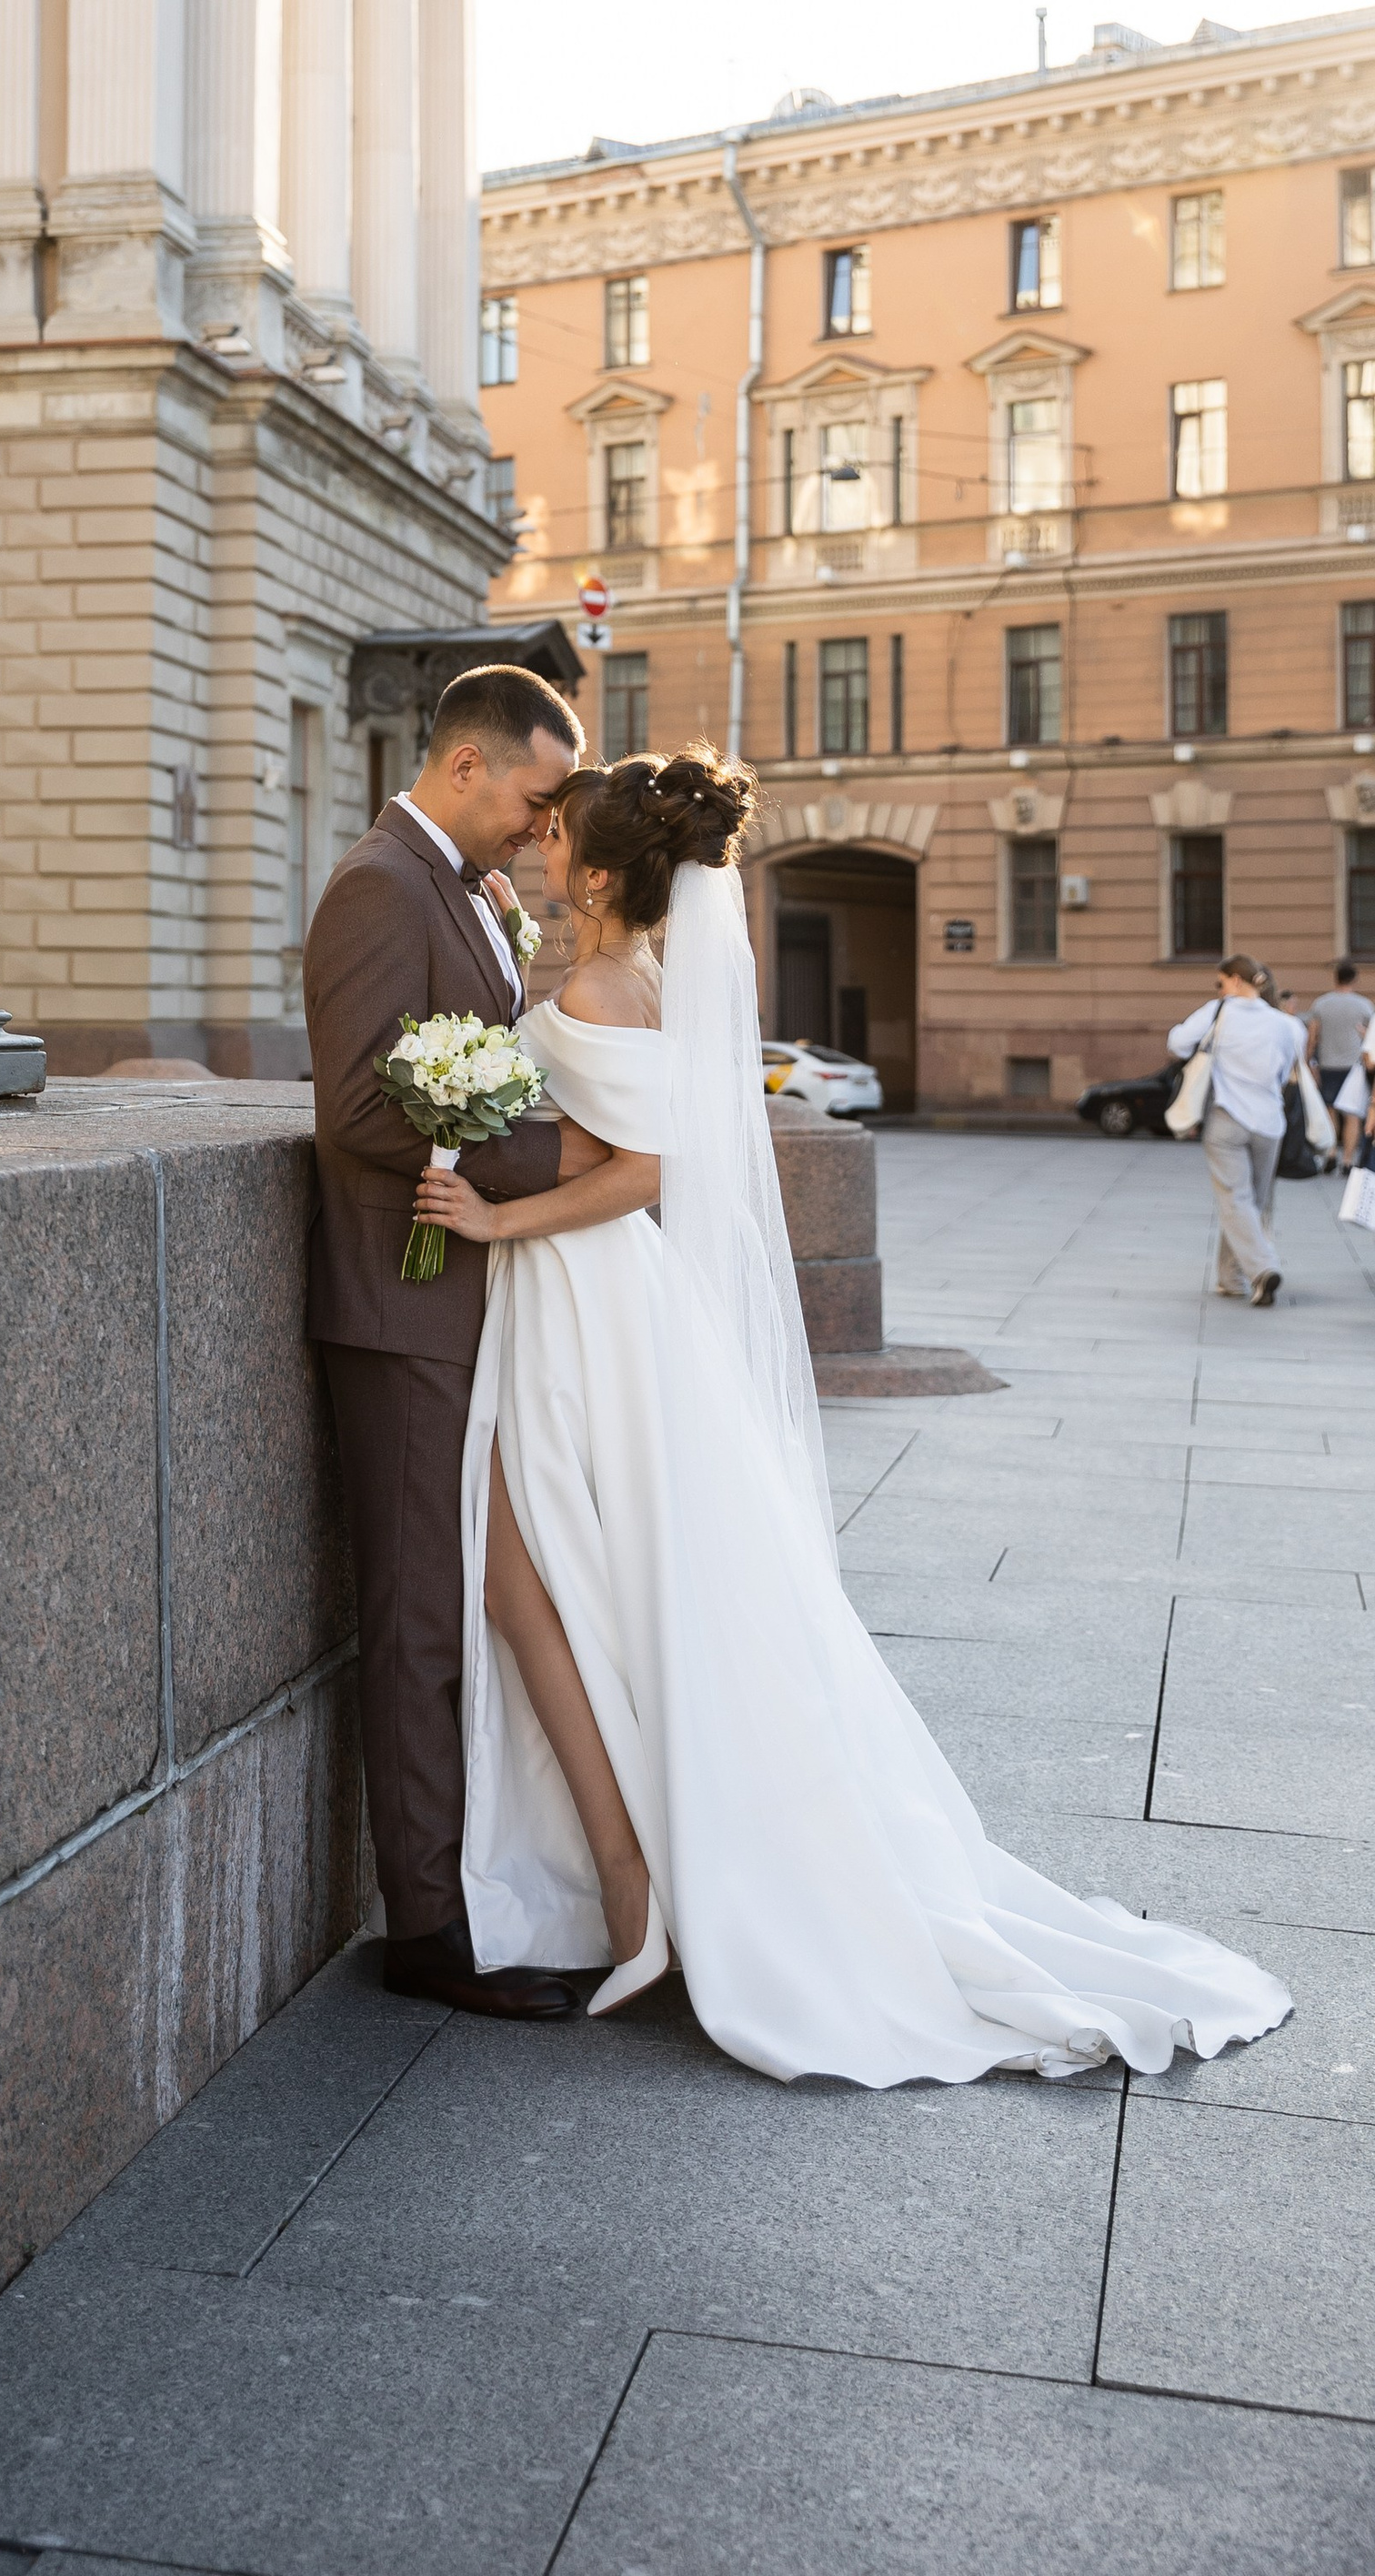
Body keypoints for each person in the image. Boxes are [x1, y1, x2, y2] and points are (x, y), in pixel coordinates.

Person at [408, 747, 1291, 2086]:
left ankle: (635, 1877)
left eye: (554, 842)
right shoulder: (626, 975)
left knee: (545, 1583)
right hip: (594, 1308)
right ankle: (629, 1869)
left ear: (595, 872)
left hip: (582, 1300)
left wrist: (495, 1210)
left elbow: (648, 1170)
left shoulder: (598, 983)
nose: (534, 850)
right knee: (573, 1583)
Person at [303, 662, 646, 2021]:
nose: (542, 825)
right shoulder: (382, 885)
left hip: (466, 1292)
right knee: (418, 1621)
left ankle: (488, 1888)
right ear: (466, 767)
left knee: (468, 1604)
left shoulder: (468, 889)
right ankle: (430, 1932)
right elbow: (361, 1108)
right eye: (534, 794)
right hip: (401, 1300)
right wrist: (559, 1155)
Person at [1169, 957, 1310, 1307]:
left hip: (1227, 1119)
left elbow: (1178, 1043)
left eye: (1220, 983)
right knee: (1253, 1204)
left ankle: (1262, 1270)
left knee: (1235, 1200)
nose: (1219, 991)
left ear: (1234, 980)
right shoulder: (1287, 1025)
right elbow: (1289, 1070)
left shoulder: (1219, 1011)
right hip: (1271, 1123)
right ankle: (1231, 1279)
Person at [1310, 962, 1374, 1169]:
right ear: (1354, 979)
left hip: (1328, 1064)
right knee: (1352, 1115)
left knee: (1329, 1110)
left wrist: (1310, 1062)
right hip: (1355, 1067)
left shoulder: (1321, 1004)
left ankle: (1330, 1153)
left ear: (1335, 978)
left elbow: (1313, 1037)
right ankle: (1347, 1160)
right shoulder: (1364, 1005)